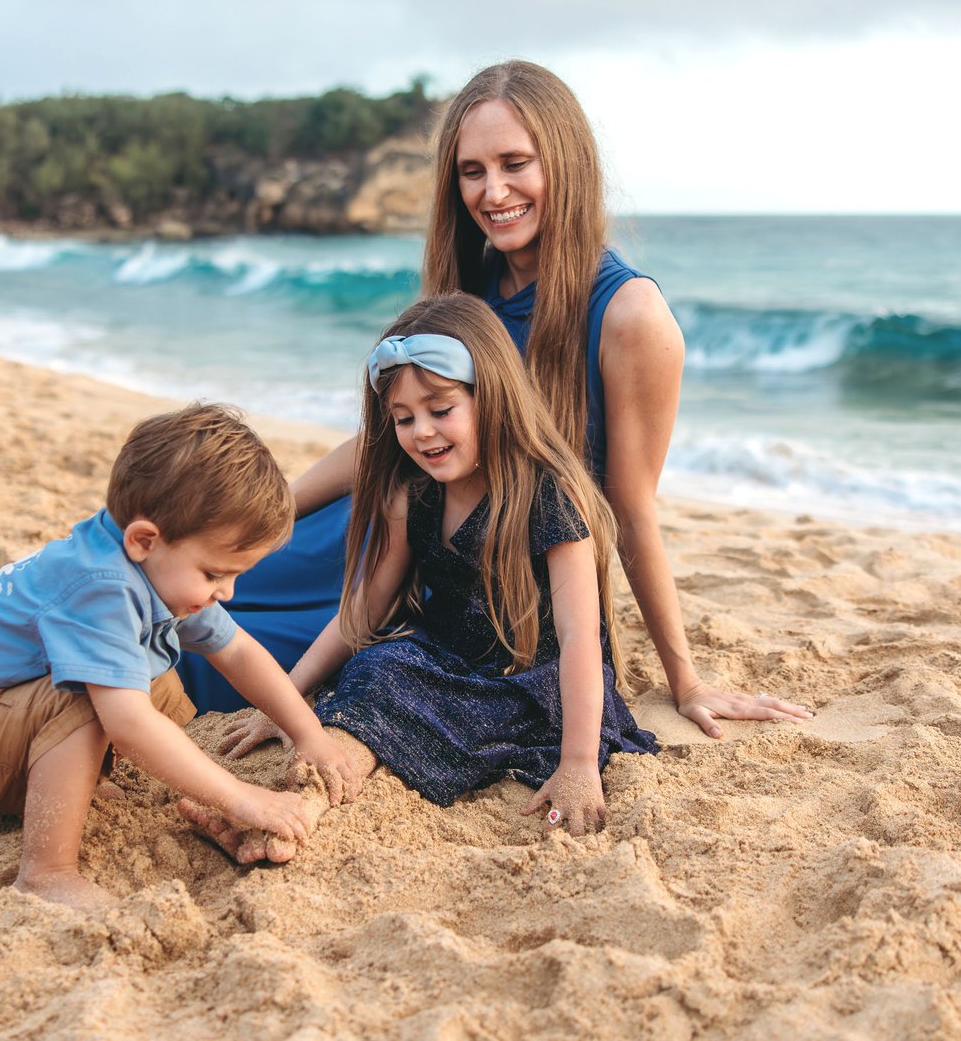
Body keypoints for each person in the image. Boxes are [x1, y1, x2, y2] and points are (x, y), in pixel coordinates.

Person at [178, 60, 810, 736]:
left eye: (515, 163)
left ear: (564, 163)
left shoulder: (630, 315)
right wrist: (271, 514)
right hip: (395, 527)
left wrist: (686, 680)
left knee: (218, 652)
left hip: (474, 585)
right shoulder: (467, 289)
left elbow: (629, 508)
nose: (493, 191)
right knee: (198, 559)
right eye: (472, 171)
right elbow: (388, 438)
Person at [182, 295, 655, 863]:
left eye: (441, 409)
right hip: (440, 661)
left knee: (405, 702)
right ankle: (287, 809)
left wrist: (577, 764)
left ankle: (293, 817)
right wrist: (285, 698)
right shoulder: (415, 495)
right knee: (376, 670)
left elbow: (580, 639)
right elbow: (364, 611)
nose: (422, 432)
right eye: (403, 418)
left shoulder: (549, 495)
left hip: (531, 683)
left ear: (492, 396)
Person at [0, 404, 366, 909]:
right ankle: (46, 873)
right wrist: (240, 796)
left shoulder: (148, 562)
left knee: (157, 679)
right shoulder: (101, 586)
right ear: (144, 540)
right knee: (95, 699)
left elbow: (238, 651)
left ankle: (75, 780)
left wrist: (309, 735)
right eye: (214, 574)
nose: (227, 592)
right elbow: (128, 724)